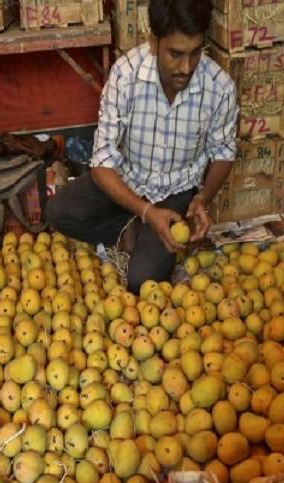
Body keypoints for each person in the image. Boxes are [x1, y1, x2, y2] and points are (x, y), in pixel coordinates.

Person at [46, 0, 237, 292]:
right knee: (60, 210)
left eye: (195, 52)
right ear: (153, 41)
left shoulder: (219, 87)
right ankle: (135, 224)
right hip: (129, 182)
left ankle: (142, 230)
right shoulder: (126, 75)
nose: (186, 67)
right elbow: (102, 163)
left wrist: (202, 199)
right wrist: (146, 211)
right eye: (175, 54)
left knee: (141, 280)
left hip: (176, 193)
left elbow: (223, 152)